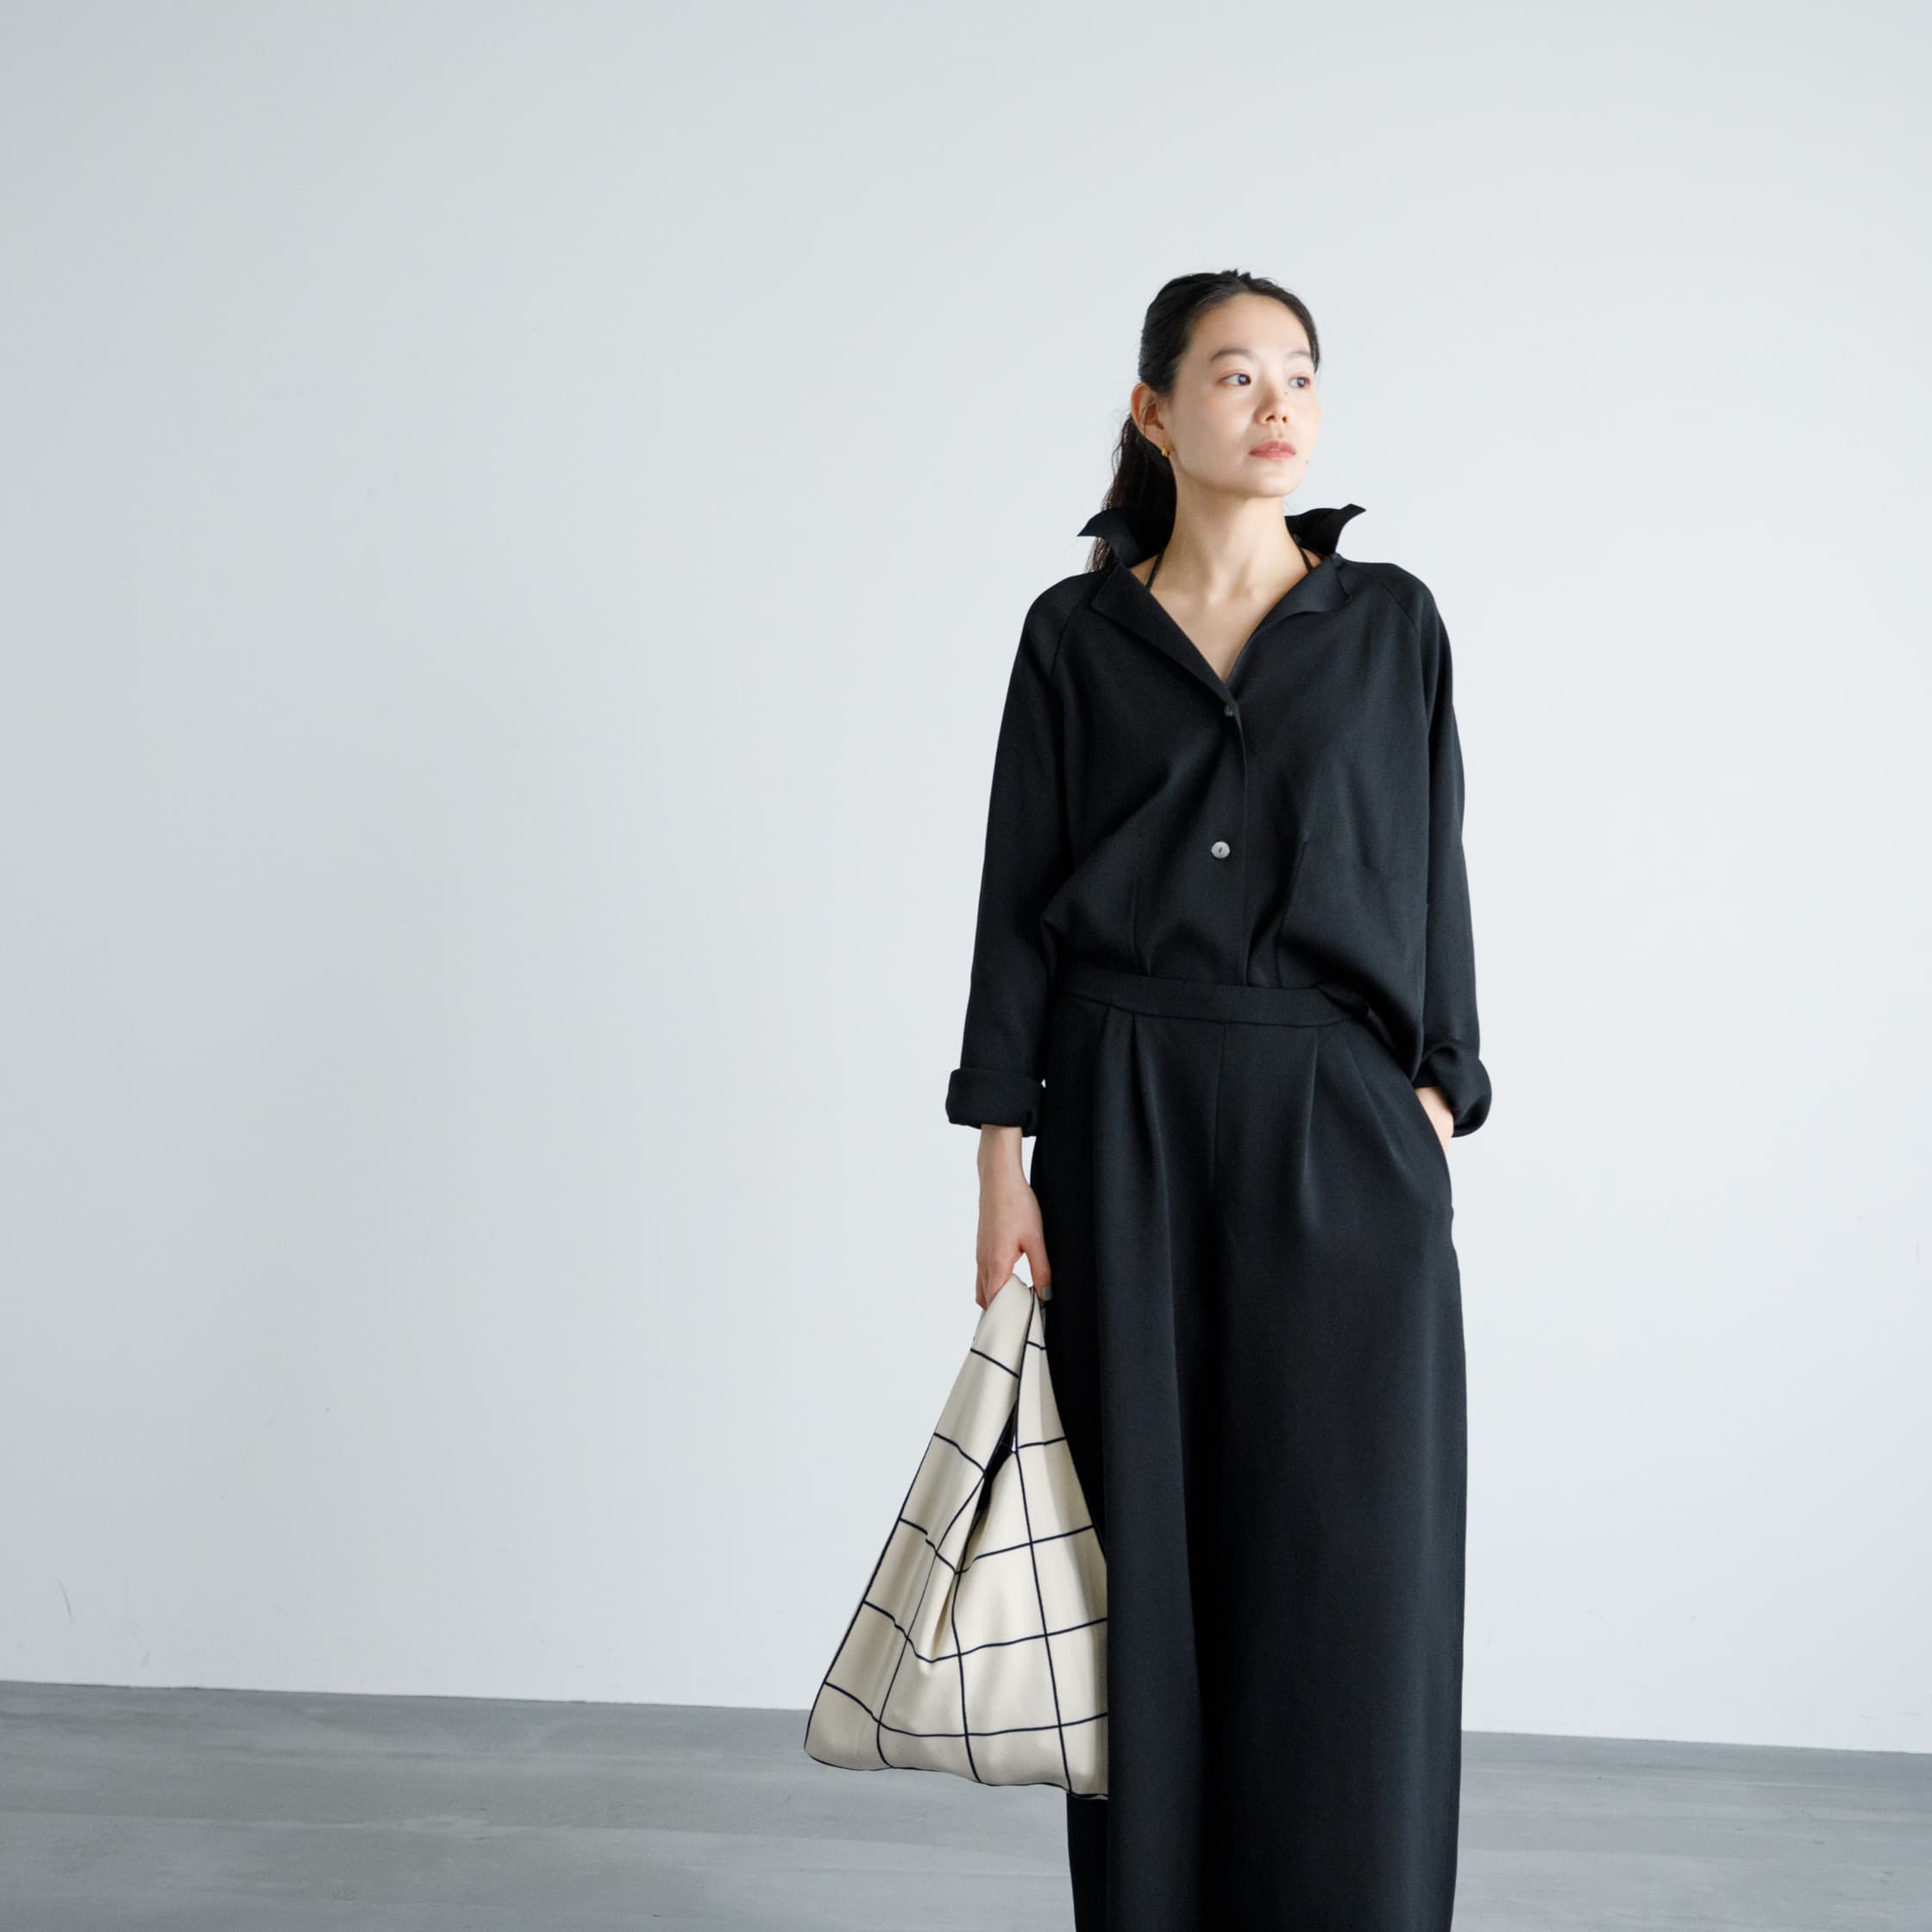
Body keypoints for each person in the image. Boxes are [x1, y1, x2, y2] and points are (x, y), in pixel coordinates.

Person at [943, 269, 1492, 1932]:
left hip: (1338, 1124)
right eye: (1238, 375)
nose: (1277, 406)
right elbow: (1015, 898)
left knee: (1353, 1576)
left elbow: (1436, 869)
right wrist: (1002, 1157)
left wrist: (1438, 1092)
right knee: (1147, 1574)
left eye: (1300, 376)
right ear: (1155, 412)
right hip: (1123, 1122)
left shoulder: (1389, 623)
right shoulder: (1075, 636)